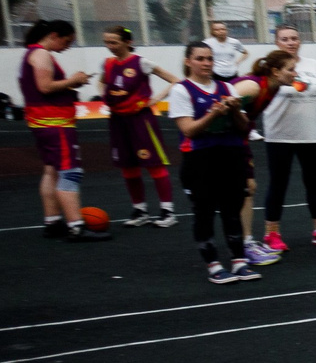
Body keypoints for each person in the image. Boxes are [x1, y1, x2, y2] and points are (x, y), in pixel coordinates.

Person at [165, 40, 261, 281]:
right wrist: (213, 114)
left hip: (230, 156)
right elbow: (188, 130)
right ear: (188, 61)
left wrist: (235, 110)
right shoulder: (181, 90)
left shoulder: (227, 88)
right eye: (200, 59)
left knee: (232, 210)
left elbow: (243, 128)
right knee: (204, 212)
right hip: (200, 159)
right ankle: (214, 265)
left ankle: (239, 261)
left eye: (209, 59)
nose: (206, 63)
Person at [19, 19, 100, 241]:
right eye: (66, 41)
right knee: (69, 171)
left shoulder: (31, 53)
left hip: (42, 122)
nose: (67, 46)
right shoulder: (42, 54)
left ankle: (53, 221)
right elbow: (44, 86)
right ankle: (76, 225)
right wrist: (72, 80)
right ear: (54, 36)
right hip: (55, 124)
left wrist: (70, 84)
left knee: (51, 171)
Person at [259, 25, 316, 252]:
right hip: (279, 136)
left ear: (300, 41)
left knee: (314, 184)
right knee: (278, 184)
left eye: (294, 38)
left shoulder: (314, 66)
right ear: (277, 42)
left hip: (311, 135)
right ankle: (271, 233)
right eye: (285, 39)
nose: (290, 42)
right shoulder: (269, 68)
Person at [99, 25, 180, 226]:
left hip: (141, 120)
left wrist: (157, 99)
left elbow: (175, 80)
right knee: (128, 166)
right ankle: (140, 210)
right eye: (107, 42)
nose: (110, 46)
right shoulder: (108, 64)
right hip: (118, 120)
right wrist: (103, 94)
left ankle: (167, 212)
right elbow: (102, 83)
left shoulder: (142, 63)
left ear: (128, 42)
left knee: (154, 164)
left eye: (114, 42)